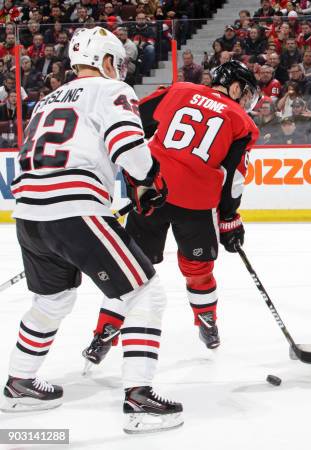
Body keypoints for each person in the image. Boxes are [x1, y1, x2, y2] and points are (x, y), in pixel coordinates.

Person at [3, 26, 181, 434]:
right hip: (74, 206)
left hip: (28, 213)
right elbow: (129, 151)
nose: (118, 70)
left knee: (53, 301)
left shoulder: (46, 99)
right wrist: (149, 181)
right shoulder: (109, 90)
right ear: (104, 60)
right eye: (115, 62)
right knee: (144, 293)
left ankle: (19, 383)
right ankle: (139, 399)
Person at [81, 60, 259, 371]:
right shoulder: (242, 122)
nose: (246, 100)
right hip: (197, 204)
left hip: (152, 193)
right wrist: (230, 218)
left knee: (131, 271)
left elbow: (132, 124)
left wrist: (135, 180)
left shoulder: (179, 91)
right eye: (245, 92)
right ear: (233, 85)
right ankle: (207, 321)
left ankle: (105, 332)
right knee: (198, 269)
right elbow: (233, 178)